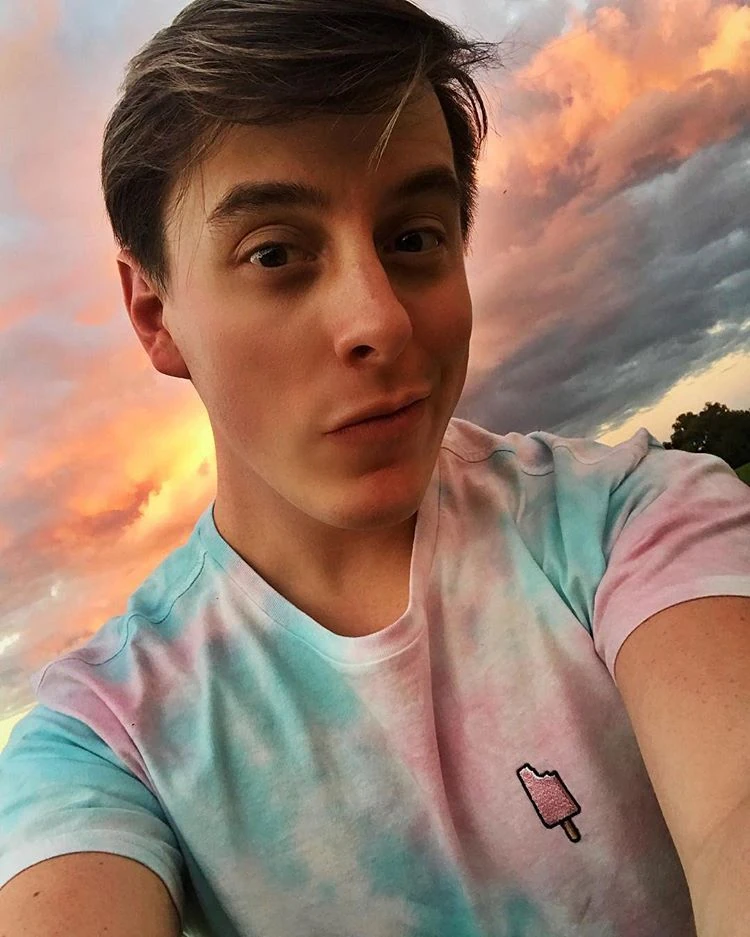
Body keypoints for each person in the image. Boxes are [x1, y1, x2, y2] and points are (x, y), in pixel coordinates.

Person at [0, 1, 748, 935]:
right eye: (275, 253)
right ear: (155, 314)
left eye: (414, 238)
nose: (380, 321)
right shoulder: (108, 738)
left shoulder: (635, 522)